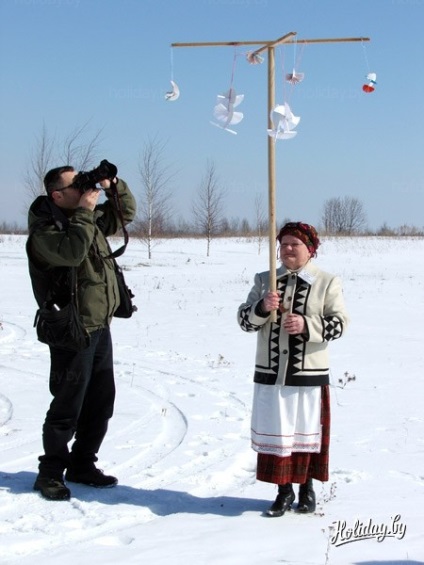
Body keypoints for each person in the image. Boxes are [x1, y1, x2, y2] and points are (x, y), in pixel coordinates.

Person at [26, 162, 136, 501]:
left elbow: (124, 213)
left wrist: (112, 184)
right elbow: (73, 252)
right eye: (77, 186)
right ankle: (50, 473)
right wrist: (86, 213)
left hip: (99, 324)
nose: (85, 191)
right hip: (71, 328)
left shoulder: (82, 218)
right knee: (67, 404)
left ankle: (82, 464)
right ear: (57, 195)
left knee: (101, 402)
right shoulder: (45, 230)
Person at [237, 222, 349, 516]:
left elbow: (340, 323)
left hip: (308, 376)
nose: (287, 249)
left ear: (309, 250)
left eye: (294, 245)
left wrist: (306, 325)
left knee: (305, 435)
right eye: (283, 244)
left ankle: (307, 490)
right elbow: (244, 321)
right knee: (280, 434)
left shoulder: (326, 281)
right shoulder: (265, 280)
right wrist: (262, 307)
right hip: (272, 375)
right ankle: (283, 492)